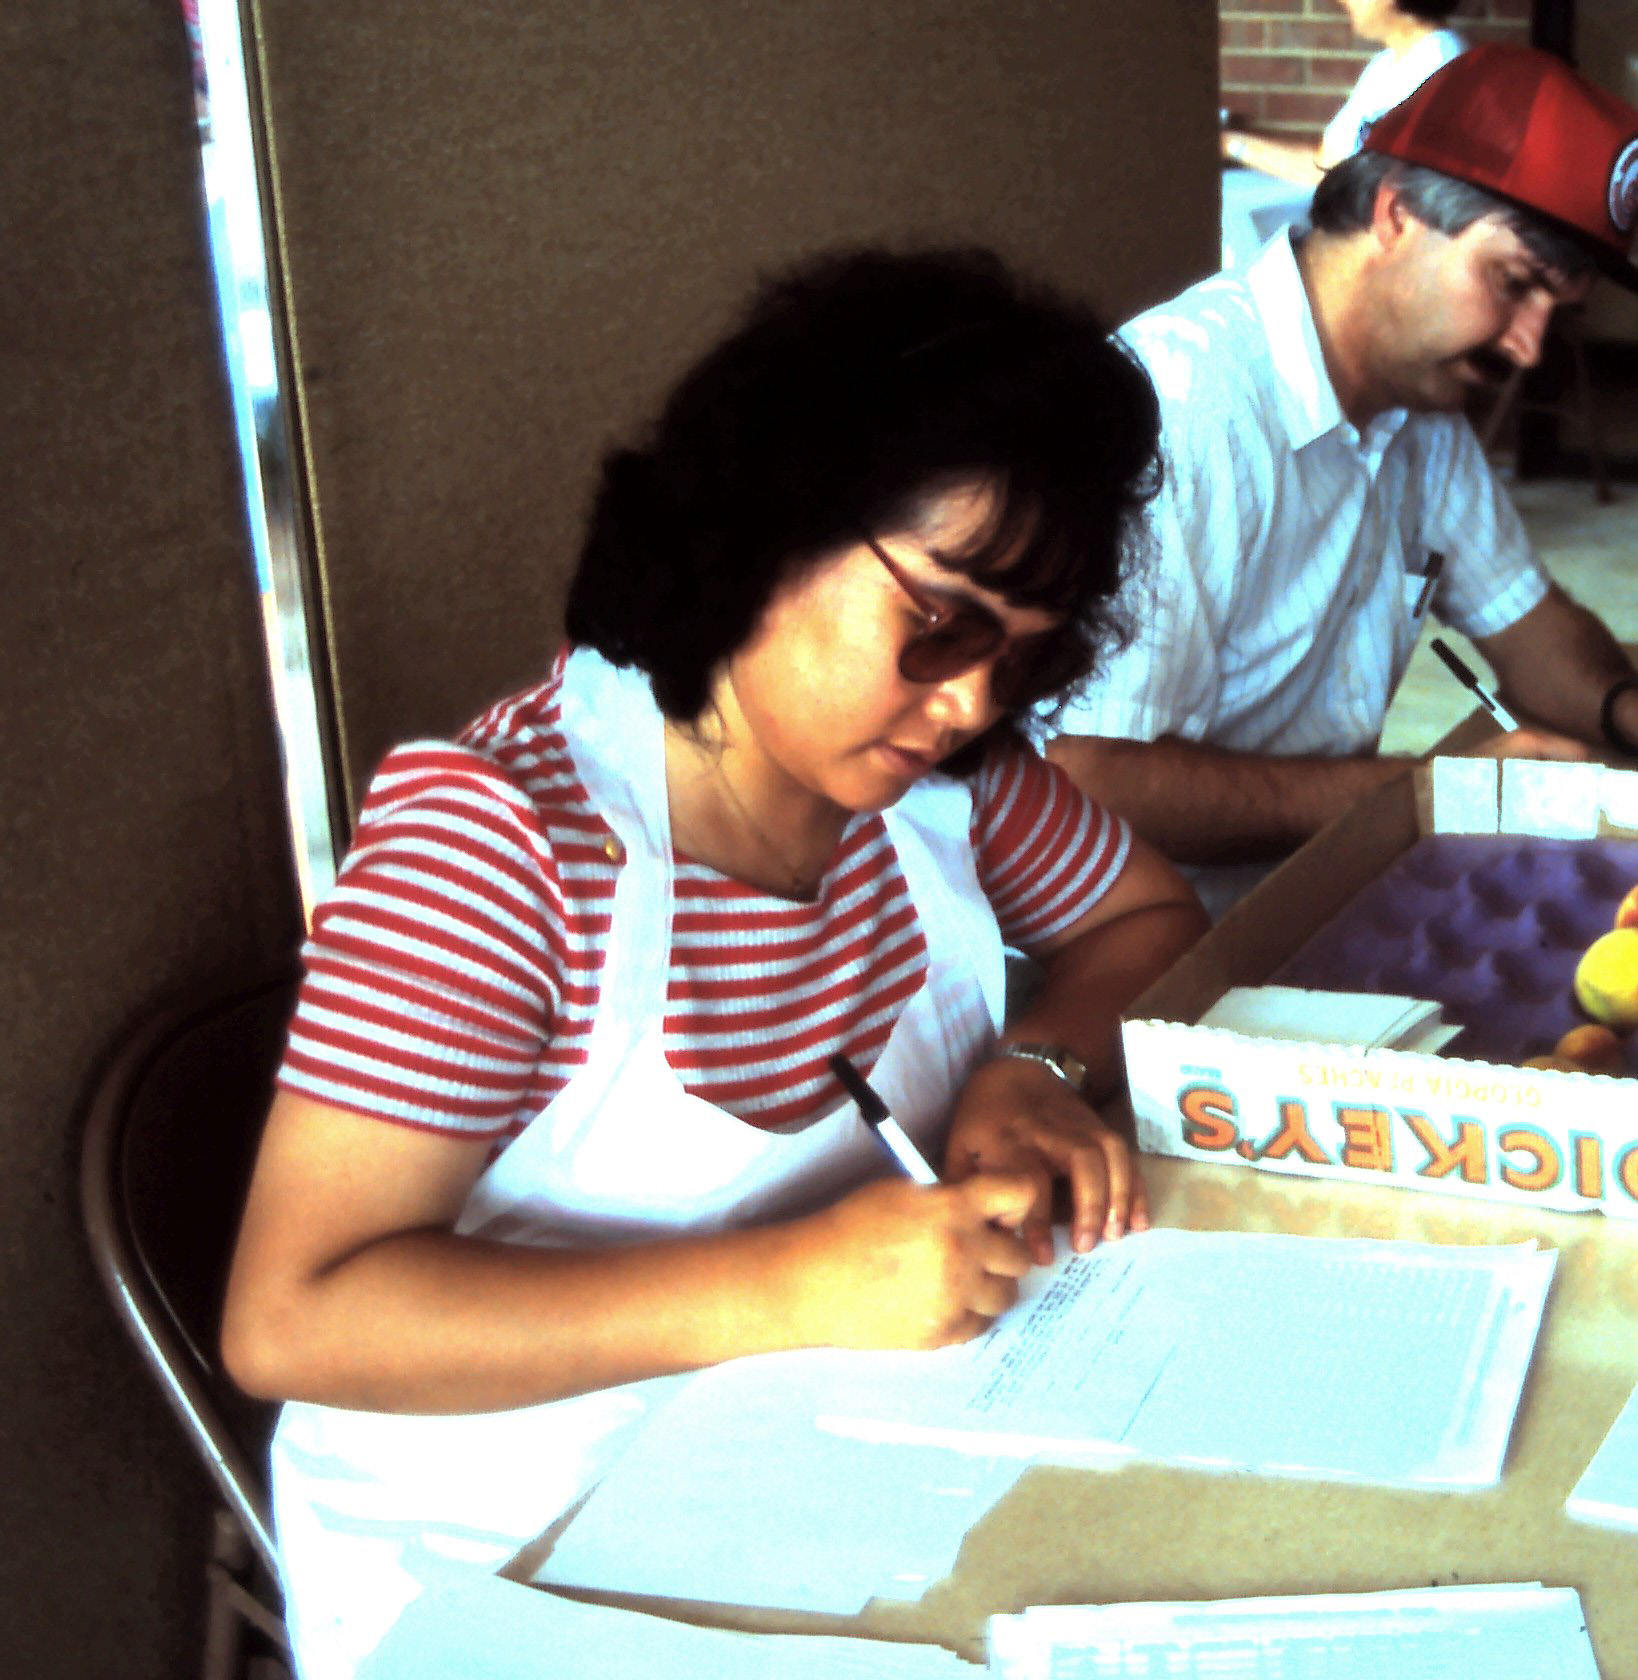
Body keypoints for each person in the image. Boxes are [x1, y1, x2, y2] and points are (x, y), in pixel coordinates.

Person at [219, 248, 1206, 1679]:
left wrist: (1031, 1068)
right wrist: (787, 1287)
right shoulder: (504, 844)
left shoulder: (941, 783)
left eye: (1029, 659)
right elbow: (294, 1317)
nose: (974, 698)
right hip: (505, 1564)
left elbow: (1148, 922)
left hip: (828, 1476)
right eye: (941, 622)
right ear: (765, 525)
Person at [1050, 45, 1638, 912]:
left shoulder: (1420, 401)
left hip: (1304, 889)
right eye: (1514, 282)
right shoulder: (1185, 410)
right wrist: (1418, 788)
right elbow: (1091, 780)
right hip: (1136, 934)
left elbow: (1528, 623)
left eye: (1555, 313)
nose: (1528, 347)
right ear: (1396, 214)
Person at [1220, 0, 1467, 189]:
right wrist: (1229, 143)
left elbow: (1358, 181)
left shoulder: (1439, 62)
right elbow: (1325, 165)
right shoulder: (1386, 63)